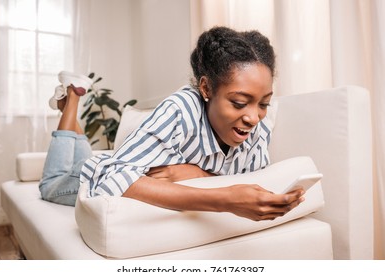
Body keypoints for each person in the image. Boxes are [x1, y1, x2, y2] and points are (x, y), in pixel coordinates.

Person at [40, 26, 305, 221]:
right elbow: (110, 177)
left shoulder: (260, 127)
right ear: (206, 88)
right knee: (49, 184)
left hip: (111, 158)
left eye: (263, 103)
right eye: (238, 102)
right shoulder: (180, 110)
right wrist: (223, 199)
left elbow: (252, 177)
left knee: (79, 159)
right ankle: (73, 99)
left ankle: (68, 108)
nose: (253, 117)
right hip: (92, 174)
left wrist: (201, 175)